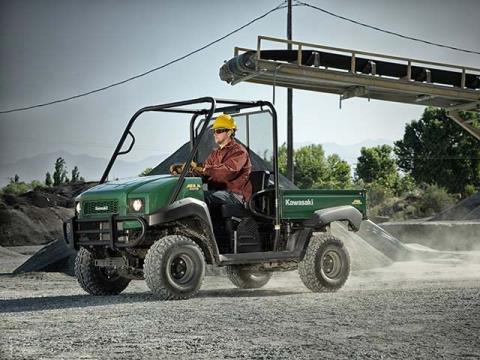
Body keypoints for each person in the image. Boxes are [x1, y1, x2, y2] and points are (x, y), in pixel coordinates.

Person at [201, 113, 252, 210]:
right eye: (214, 131)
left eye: (219, 131)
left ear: (229, 132)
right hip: (219, 193)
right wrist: (189, 171)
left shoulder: (239, 152)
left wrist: (203, 169)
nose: (215, 134)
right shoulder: (215, 154)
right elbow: (205, 169)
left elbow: (226, 172)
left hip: (235, 195)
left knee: (201, 198)